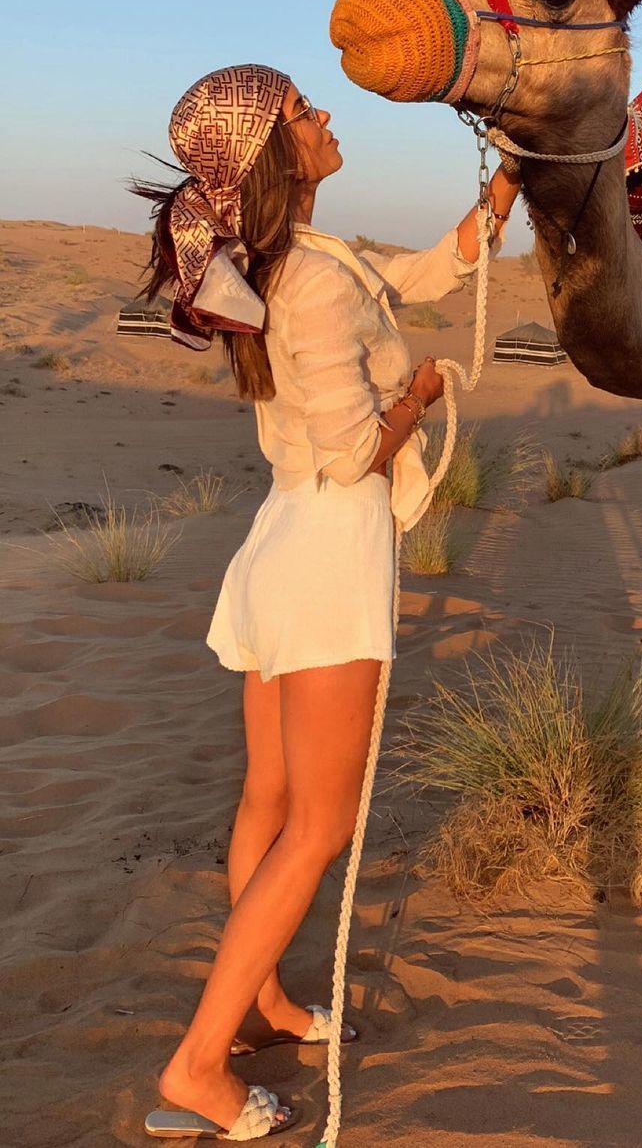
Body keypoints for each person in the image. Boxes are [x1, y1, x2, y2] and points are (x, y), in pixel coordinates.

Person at [133, 64, 520, 1140]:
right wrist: (420, 395)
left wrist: (499, 194)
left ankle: (259, 1004)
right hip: (327, 555)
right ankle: (198, 1063)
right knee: (319, 826)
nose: (326, 117)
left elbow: (419, 274)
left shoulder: (293, 261)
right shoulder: (312, 280)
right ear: (277, 152)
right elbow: (354, 455)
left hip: (279, 545)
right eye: (306, 112)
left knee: (269, 798)